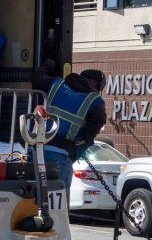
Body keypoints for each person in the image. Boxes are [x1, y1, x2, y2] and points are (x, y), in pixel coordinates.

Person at [31, 59, 106, 191]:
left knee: (33, 197)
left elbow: (37, 79)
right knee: (57, 204)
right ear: (95, 84)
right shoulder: (94, 100)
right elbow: (99, 120)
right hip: (62, 154)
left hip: (38, 147)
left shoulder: (57, 84)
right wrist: (87, 138)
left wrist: (48, 64)